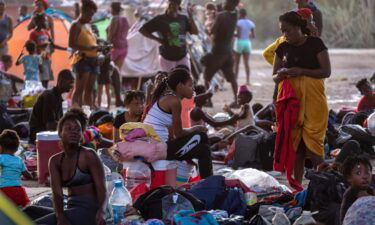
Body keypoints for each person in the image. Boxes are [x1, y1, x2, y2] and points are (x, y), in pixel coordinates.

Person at [272, 11, 331, 189]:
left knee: (314, 145)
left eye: (287, 30)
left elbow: (326, 72)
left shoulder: (315, 44)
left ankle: (325, 186)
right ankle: (297, 186)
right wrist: (281, 75)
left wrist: (301, 71)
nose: (284, 34)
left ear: (298, 27)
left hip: (314, 100)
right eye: (282, 31)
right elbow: (274, 76)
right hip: (291, 100)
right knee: (295, 145)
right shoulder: (282, 47)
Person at [25, 109, 106, 225]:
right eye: (68, 128)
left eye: (77, 129)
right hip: (71, 208)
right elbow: (57, 195)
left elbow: (102, 189)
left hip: (90, 211)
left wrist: (102, 211)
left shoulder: (88, 155)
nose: (73, 132)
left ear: (81, 135)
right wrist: (60, 216)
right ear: (60, 133)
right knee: (29, 211)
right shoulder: (55, 161)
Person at [143, 67, 213, 178]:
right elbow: (178, 134)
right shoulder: (174, 101)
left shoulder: (167, 97)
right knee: (203, 143)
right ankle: (209, 184)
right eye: (190, 85)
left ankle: (207, 181)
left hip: (159, 145)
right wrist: (195, 129)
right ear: (180, 86)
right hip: (159, 149)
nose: (193, 89)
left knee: (202, 144)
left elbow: (173, 134)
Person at [139, 0, 198, 71]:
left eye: (175, 3)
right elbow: (142, 30)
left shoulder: (183, 18)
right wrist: (157, 39)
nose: (172, 5)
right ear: (168, 3)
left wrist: (191, 18)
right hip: (167, 58)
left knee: (185, 79)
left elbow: (195, 32)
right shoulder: (160, 19)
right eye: (171, 2)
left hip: (182, 56)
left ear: (178, 5)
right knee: (170, 81)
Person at [203, 0, 240, 108]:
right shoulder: (235, 15)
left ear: (230, 3)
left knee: (206, 76)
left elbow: (212, 31)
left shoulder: (220, 16)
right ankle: (236, 101)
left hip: (217, 51)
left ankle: (208, 101)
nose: (223, 3)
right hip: (228, 52)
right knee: (232, 78)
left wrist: (207, 29)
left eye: (226, 1)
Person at [28, 70, 75, 144]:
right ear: (61, 81)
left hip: (45, 133)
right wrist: (70, 126)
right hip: (38, 136)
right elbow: (50, 126)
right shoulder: (49, 96)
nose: (72, 86)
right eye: (70, 82)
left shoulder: (57, 97)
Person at [69, 0, 98, 108]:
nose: (91, 17)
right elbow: (71, 43)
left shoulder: (87, 26)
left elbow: (91, 42)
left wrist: (99, 48)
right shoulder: (75, 25)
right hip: (82, 60)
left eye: (93, 14)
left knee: (89, 90)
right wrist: (88, 48)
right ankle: (76, 112)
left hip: (93, 60)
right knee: (79, 90)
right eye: (90, 14)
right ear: (83, 11)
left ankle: (89, 115)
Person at [0, 130, 34, 207]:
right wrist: (32, 175)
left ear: (1, 147)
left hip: (4, 191)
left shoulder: (1, 158)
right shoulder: (19, 160)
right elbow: (27, 175)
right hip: (19, 191)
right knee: (24, 209)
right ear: (16, 149)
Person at [340, 156, 374, 223]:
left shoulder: (369, 189)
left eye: (367, 172)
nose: (365, 177)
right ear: (349, 178)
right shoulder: (353, 191)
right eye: (358, 173)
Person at [29, 14, 53, 88]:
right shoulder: (33, 33)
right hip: (39, 58)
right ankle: (42, 97)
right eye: (44, 20)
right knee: (42, 80)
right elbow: (31, 48)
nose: (45, 22)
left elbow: (50, 43)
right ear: (38, 21)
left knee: (46, 79)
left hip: (47, 58)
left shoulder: (45, 32)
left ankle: (44, 95)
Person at [234, 8, 255, 85]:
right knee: (246, 63)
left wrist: (232, 34)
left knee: (237, 63)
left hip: (239, 43)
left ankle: (235, 80)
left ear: (240, 14)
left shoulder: (238, 22)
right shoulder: (251, 23)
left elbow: (238, 35)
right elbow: (253, 36)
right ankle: (248, 80)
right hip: (247, 42)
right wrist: (247, 34)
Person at [106, 2, 129, 73]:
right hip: (124, 47)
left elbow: (110, 35)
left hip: (114, 48)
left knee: (108, 72)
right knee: (117, 72)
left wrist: (106, 48)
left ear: (112, 9)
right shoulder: (125, 19)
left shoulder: (114, 19)